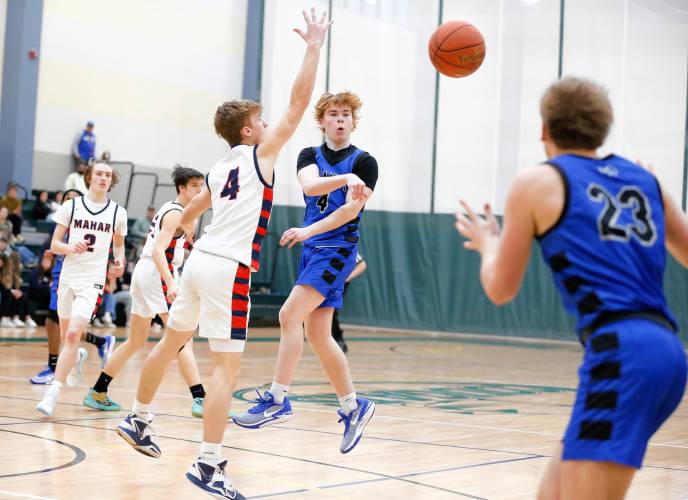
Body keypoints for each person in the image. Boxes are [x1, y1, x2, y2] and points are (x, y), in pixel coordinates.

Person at [115, 9, 331, 499]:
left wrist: (175, 235)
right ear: (250, 131)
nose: (270, 123)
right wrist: (314, 46)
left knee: (170, 345)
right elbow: (300, 103)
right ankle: (209, 465)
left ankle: (138, 418)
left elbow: (190, 210)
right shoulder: (261, 155)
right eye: (261, 120)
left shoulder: (218, 168)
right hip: (228, 268)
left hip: (197, 264)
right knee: (225, 369)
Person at [454, 77, 688, 500]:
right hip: (666, 351)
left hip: (622, 353)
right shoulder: (645, 180)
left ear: (544, 129)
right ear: (603, 127)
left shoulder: (535, 183)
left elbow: (500, 289)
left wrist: (489, 244)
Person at [232, 90, 378, 455]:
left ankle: (278, 399)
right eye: (333, 114)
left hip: (336, 250)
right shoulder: (309, 155)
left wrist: (307, 231)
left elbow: (347, 213)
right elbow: (310, 185)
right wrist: (344, 182)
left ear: (353, 121)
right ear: (323, 121)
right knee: (317, 333)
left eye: (346, 114)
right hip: (314, 250)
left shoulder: (366, 162)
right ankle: (352, 406)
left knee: (287, 315)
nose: (340, 119)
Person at [83, 166, 209, 416]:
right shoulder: (175, 214)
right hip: (157, 272)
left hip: (145, 272)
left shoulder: (179, 212)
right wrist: (171, 282)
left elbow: (171, 249)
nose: (199, 190)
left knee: (136, 340)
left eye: (201, 185)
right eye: (195, 186)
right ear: (182, 188)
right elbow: (159, 251)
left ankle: (98, 390)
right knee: (182, 338)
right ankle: (201, 398)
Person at [35, 163, 127, 415]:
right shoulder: (71, 206)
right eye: (99, 173)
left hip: (93, 281)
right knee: (68, 339)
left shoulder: (118, 213)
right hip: (67, 278)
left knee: (74, 334)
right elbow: (54, 245)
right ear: (88, 178)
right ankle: (75, 359)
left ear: (111, 181)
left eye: (108, 175)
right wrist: (70, 246)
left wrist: (119, 262)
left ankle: (52, 393)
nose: (103, 178)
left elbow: (118, 246)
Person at [29, 189, 114, 385]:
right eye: (67, 199)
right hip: (61, 274)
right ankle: (100, 342)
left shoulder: (89, 224)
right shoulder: (62, 223)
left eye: (75, 199)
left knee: (57, 322)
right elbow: (50, 246)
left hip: (81, 275)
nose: (71, 203)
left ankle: (53, 367)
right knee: (59, 324)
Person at [331, 252, 366, 353]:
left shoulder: (345, 245)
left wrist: (346, 278)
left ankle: (338, 340)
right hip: (324, 281)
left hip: (338, 284)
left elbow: (362, 265)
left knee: (329, 308)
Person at [0, 235, 35, 327]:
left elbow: (14, 284)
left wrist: (15, 290)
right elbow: (3, 284)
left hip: (7, 288)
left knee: (21, 295)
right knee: (9, 294)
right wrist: (11, 290)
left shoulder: (14, 271)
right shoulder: (3, 269)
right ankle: (5, 318)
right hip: (4, 290)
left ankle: (19, 318)